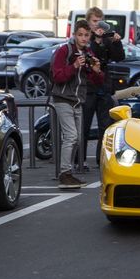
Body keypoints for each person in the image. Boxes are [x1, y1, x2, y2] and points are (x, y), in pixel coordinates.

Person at [50, 19, 104, 189]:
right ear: (74, 35)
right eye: (80, 35)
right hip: (63, 99)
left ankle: (69, 172)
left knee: (78, 139)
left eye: (86, 35)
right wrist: (74, 66)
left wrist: (97, 70)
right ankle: (64, 173)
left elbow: (95, 81)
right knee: (71, 136)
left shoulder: (88, 53)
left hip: (77, 101)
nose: (83, 38)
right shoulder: (64, 51)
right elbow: (57, 76)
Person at [82, 7, 125, 167]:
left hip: (104, 86)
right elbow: (88, 55)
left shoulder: (107, 38)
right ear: (88, 22)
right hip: (88, 88)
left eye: (100, 21)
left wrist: (116, 42)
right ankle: (81, 160)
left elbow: (119, 57)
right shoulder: (85, 38)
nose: (97, 25)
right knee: (84, 125)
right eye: (94, 21)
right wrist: (97, 40)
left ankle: (101, 160)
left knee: (105, 126)